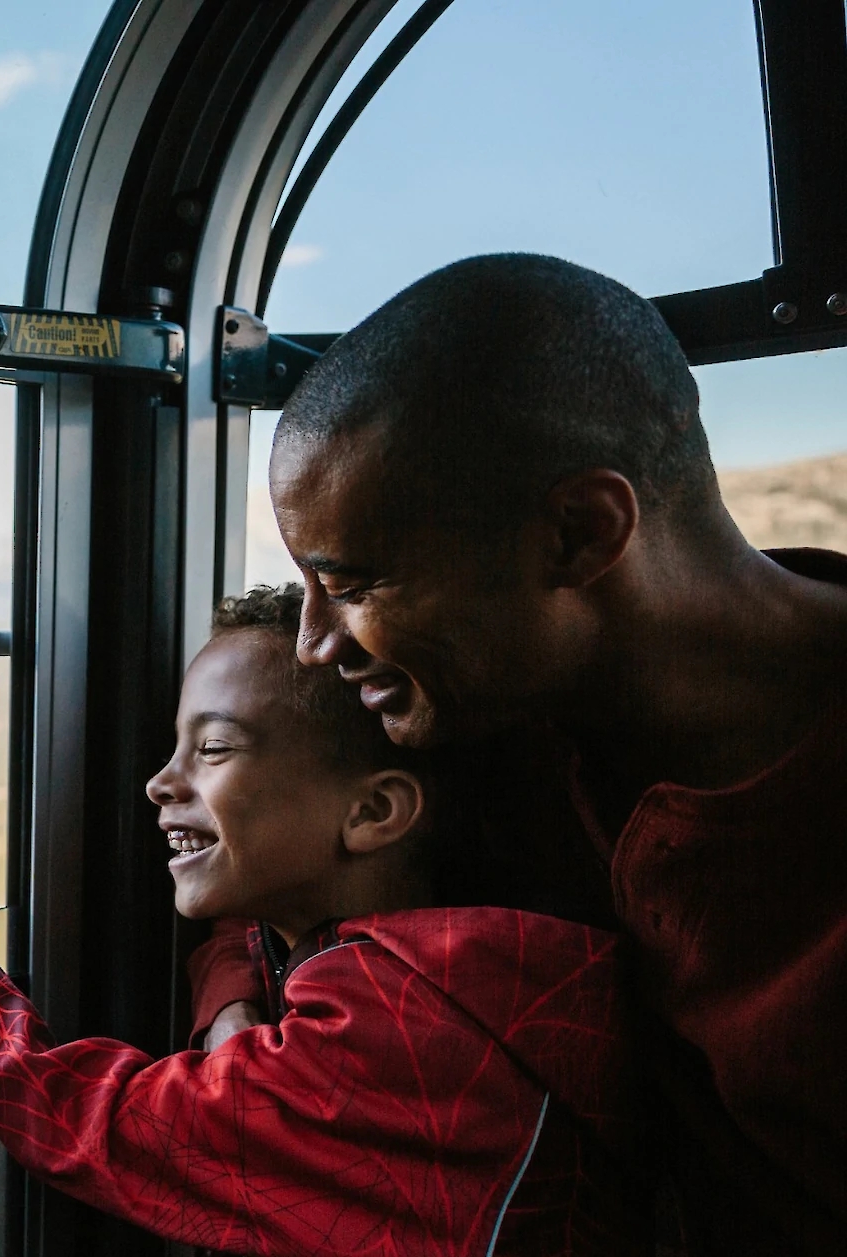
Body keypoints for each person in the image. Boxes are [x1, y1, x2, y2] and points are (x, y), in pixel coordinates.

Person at [200, 253, 847, 1250]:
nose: (316, 647)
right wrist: (231, 1011)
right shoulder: (478, 720)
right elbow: (266, 843)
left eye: (358, 585)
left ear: (578, 534)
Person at [0, 587, 647, 1256]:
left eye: (215, 748)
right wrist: (232, 1001)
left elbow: (80, 1117)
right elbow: (249, 932)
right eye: (174, 746)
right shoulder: (459, 960)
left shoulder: (387, 1032)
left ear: (375, 811)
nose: (160, 782)